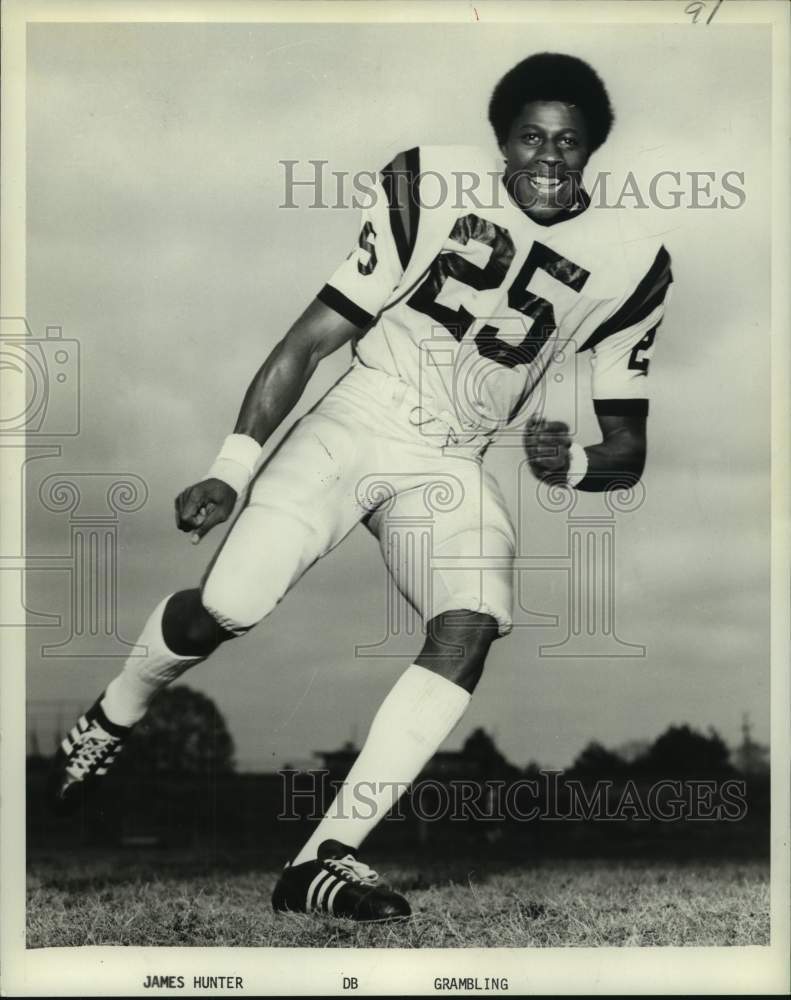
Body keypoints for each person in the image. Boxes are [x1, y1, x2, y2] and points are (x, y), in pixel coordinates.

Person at [50, 52, 672, 921]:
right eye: (530, 137)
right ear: (500, 142)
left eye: (567, 142)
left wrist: (565, 463)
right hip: (359, 415)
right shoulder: (433, 183)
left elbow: (630, 449)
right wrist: (232, 467)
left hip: (455, 455)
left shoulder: (633, 263)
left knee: (469, 624)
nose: (547, 156)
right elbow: (308, 342)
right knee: (231, 605)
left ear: (591, 151)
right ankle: (119, 709)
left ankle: (321, 858)